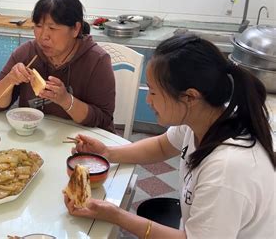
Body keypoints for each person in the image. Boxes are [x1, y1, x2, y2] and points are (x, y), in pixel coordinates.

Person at [64, 34, 275, 238]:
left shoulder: (227, 170)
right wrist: (107, 152)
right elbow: (162, 146)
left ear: (190, 96)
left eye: (154, 92)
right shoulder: (206, 116)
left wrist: (116, 215)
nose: (148, 100)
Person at [0, 0, 115, 132]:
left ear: (75, 29)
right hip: (33, 136)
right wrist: (10, 80)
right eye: (38, 26)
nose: (43, 37)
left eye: (52, 28)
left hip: (81, 141)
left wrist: (66, 100)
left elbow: (103, 120)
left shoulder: (97, 60)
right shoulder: (27, 53)